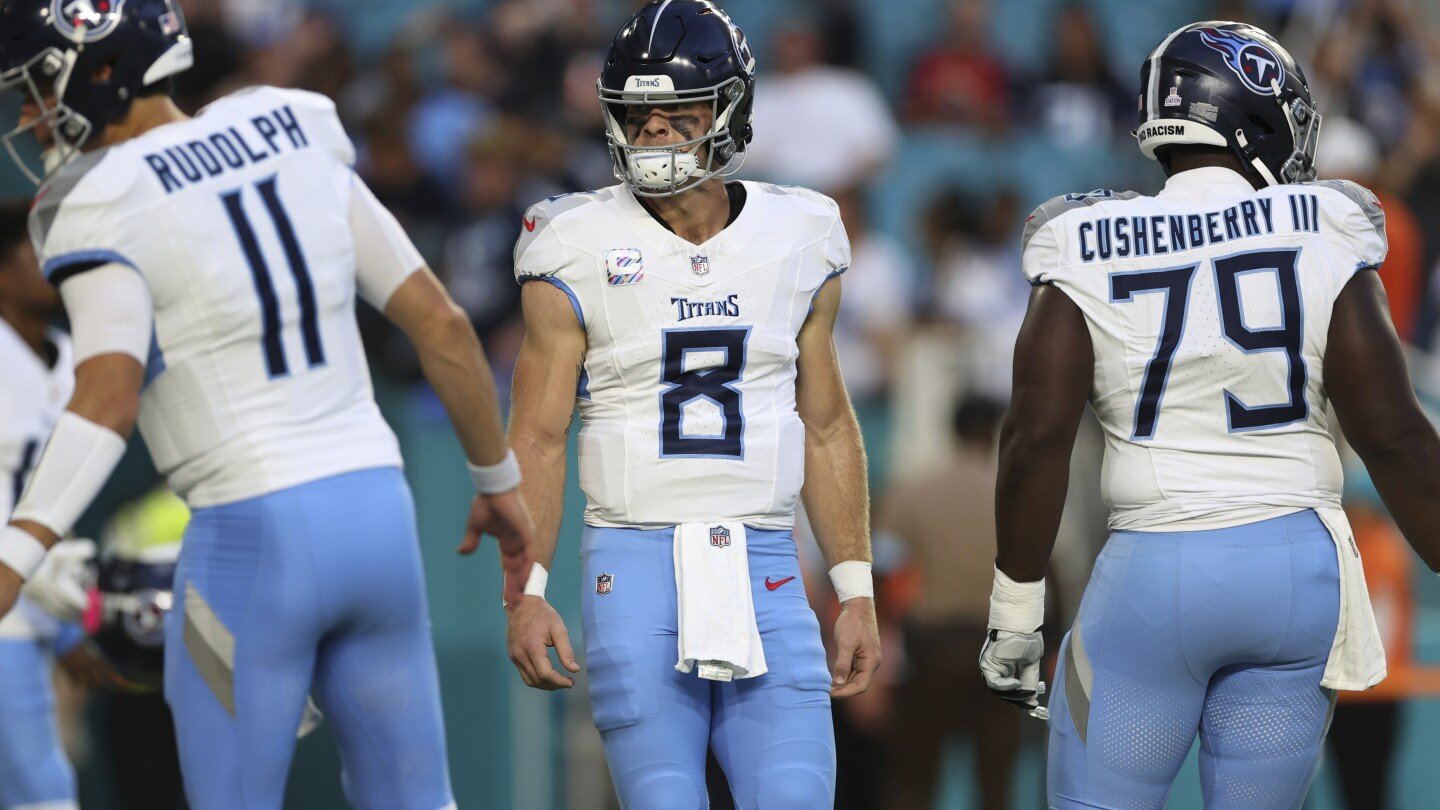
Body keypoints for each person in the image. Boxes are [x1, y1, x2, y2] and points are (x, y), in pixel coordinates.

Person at [0, 2, 536, 808]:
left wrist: (12, 559)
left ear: (104, 70)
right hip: (379, 516)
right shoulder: (291, 127)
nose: (30, 112)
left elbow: (106, 403)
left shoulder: (97, 199)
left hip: (248, 539)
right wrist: (497, 484)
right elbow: (446, 328)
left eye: (40, 84)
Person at [979, 20, 1440, 809]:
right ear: (1256, 115)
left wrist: (1016, 611)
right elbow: (1392, 432)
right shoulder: (1322, 224)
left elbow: (1034, 438)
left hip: (1156, 572)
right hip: (1297, 570)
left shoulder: (1085, 237)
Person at [503, 2, 881, 808]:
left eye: (680, 114)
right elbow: (535, 437)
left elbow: (825, 424)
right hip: (633, 568)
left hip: (768, 562)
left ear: (731, 112)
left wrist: (856, 590)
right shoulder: (572, 240)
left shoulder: (801, 231)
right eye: (640, 116)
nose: (658, 135)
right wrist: (526, 592)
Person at [0, 199, 103, 810]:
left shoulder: (75, 361)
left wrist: (68, 622)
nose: (56, 265)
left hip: (37, 608)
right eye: (39, 252)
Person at [879, 396, 1021, 810]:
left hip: (932, 649)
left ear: (952, 429)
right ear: (993, 430)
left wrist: (886, 634)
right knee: (996, 784)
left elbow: (883, 569)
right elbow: (1053, 574)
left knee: (912, 780)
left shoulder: (914, 491)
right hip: (1003, 649)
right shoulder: (1015, 494)